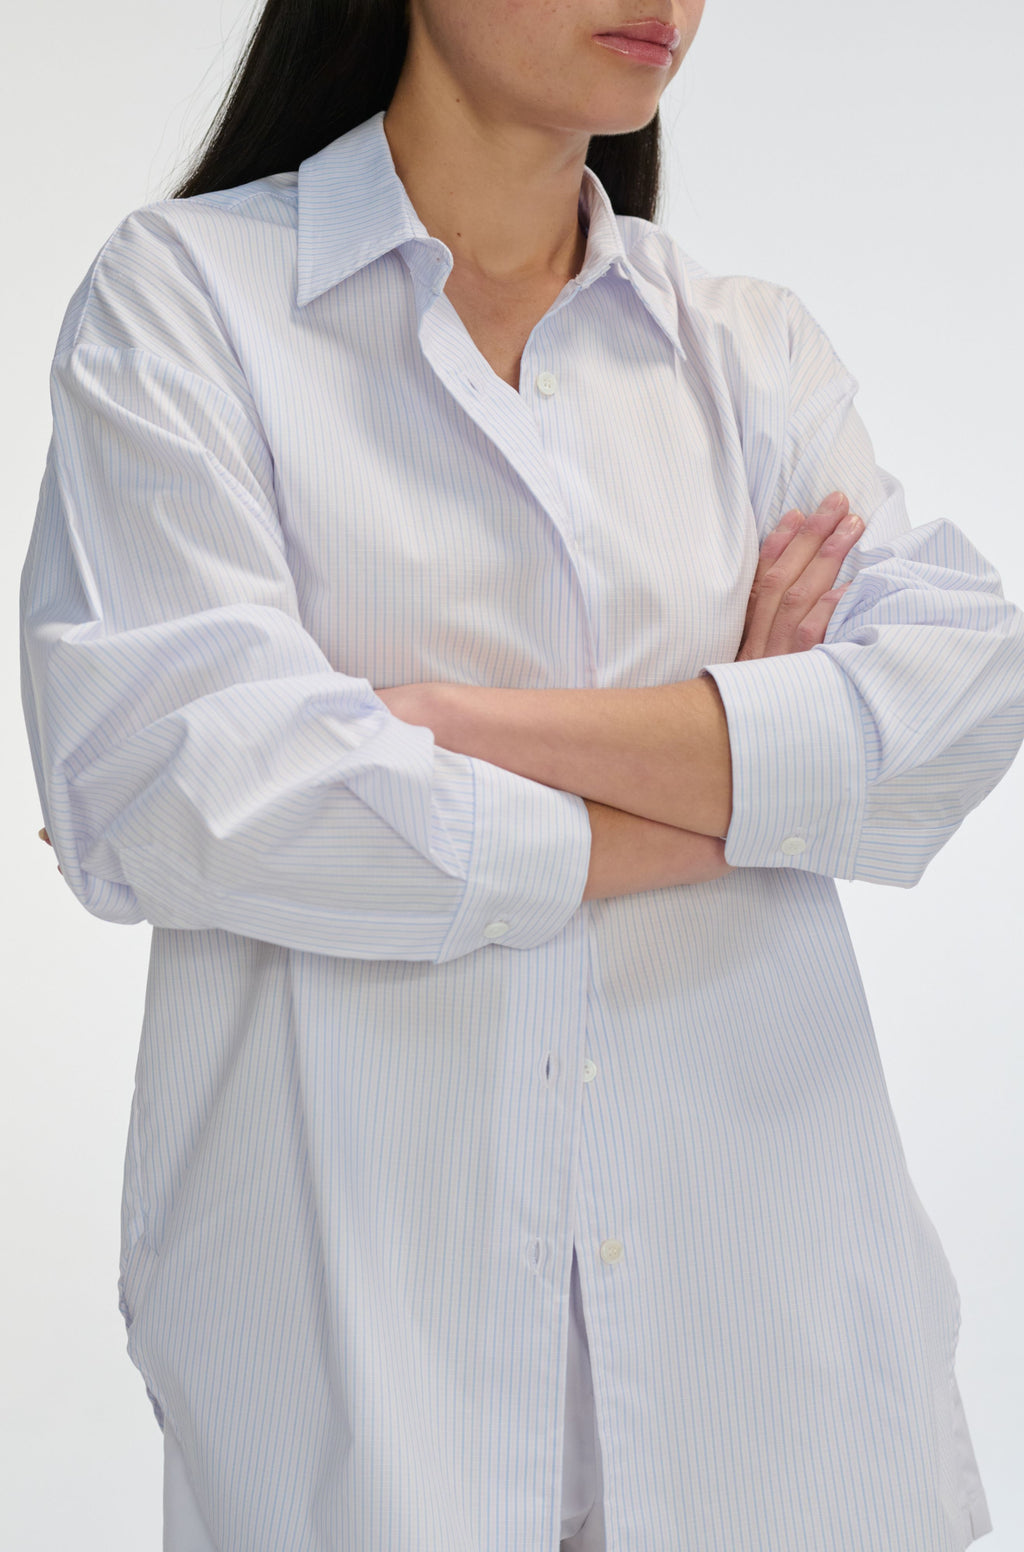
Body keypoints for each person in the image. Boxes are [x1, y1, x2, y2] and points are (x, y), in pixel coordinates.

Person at [19, 1, 1024, 1548]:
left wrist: (431, 719)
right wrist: (745, 778)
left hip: (781, 1390)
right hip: (367, 1393)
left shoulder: (747, 350)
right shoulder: (189, 305)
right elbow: (180, 789)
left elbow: (955, 700)